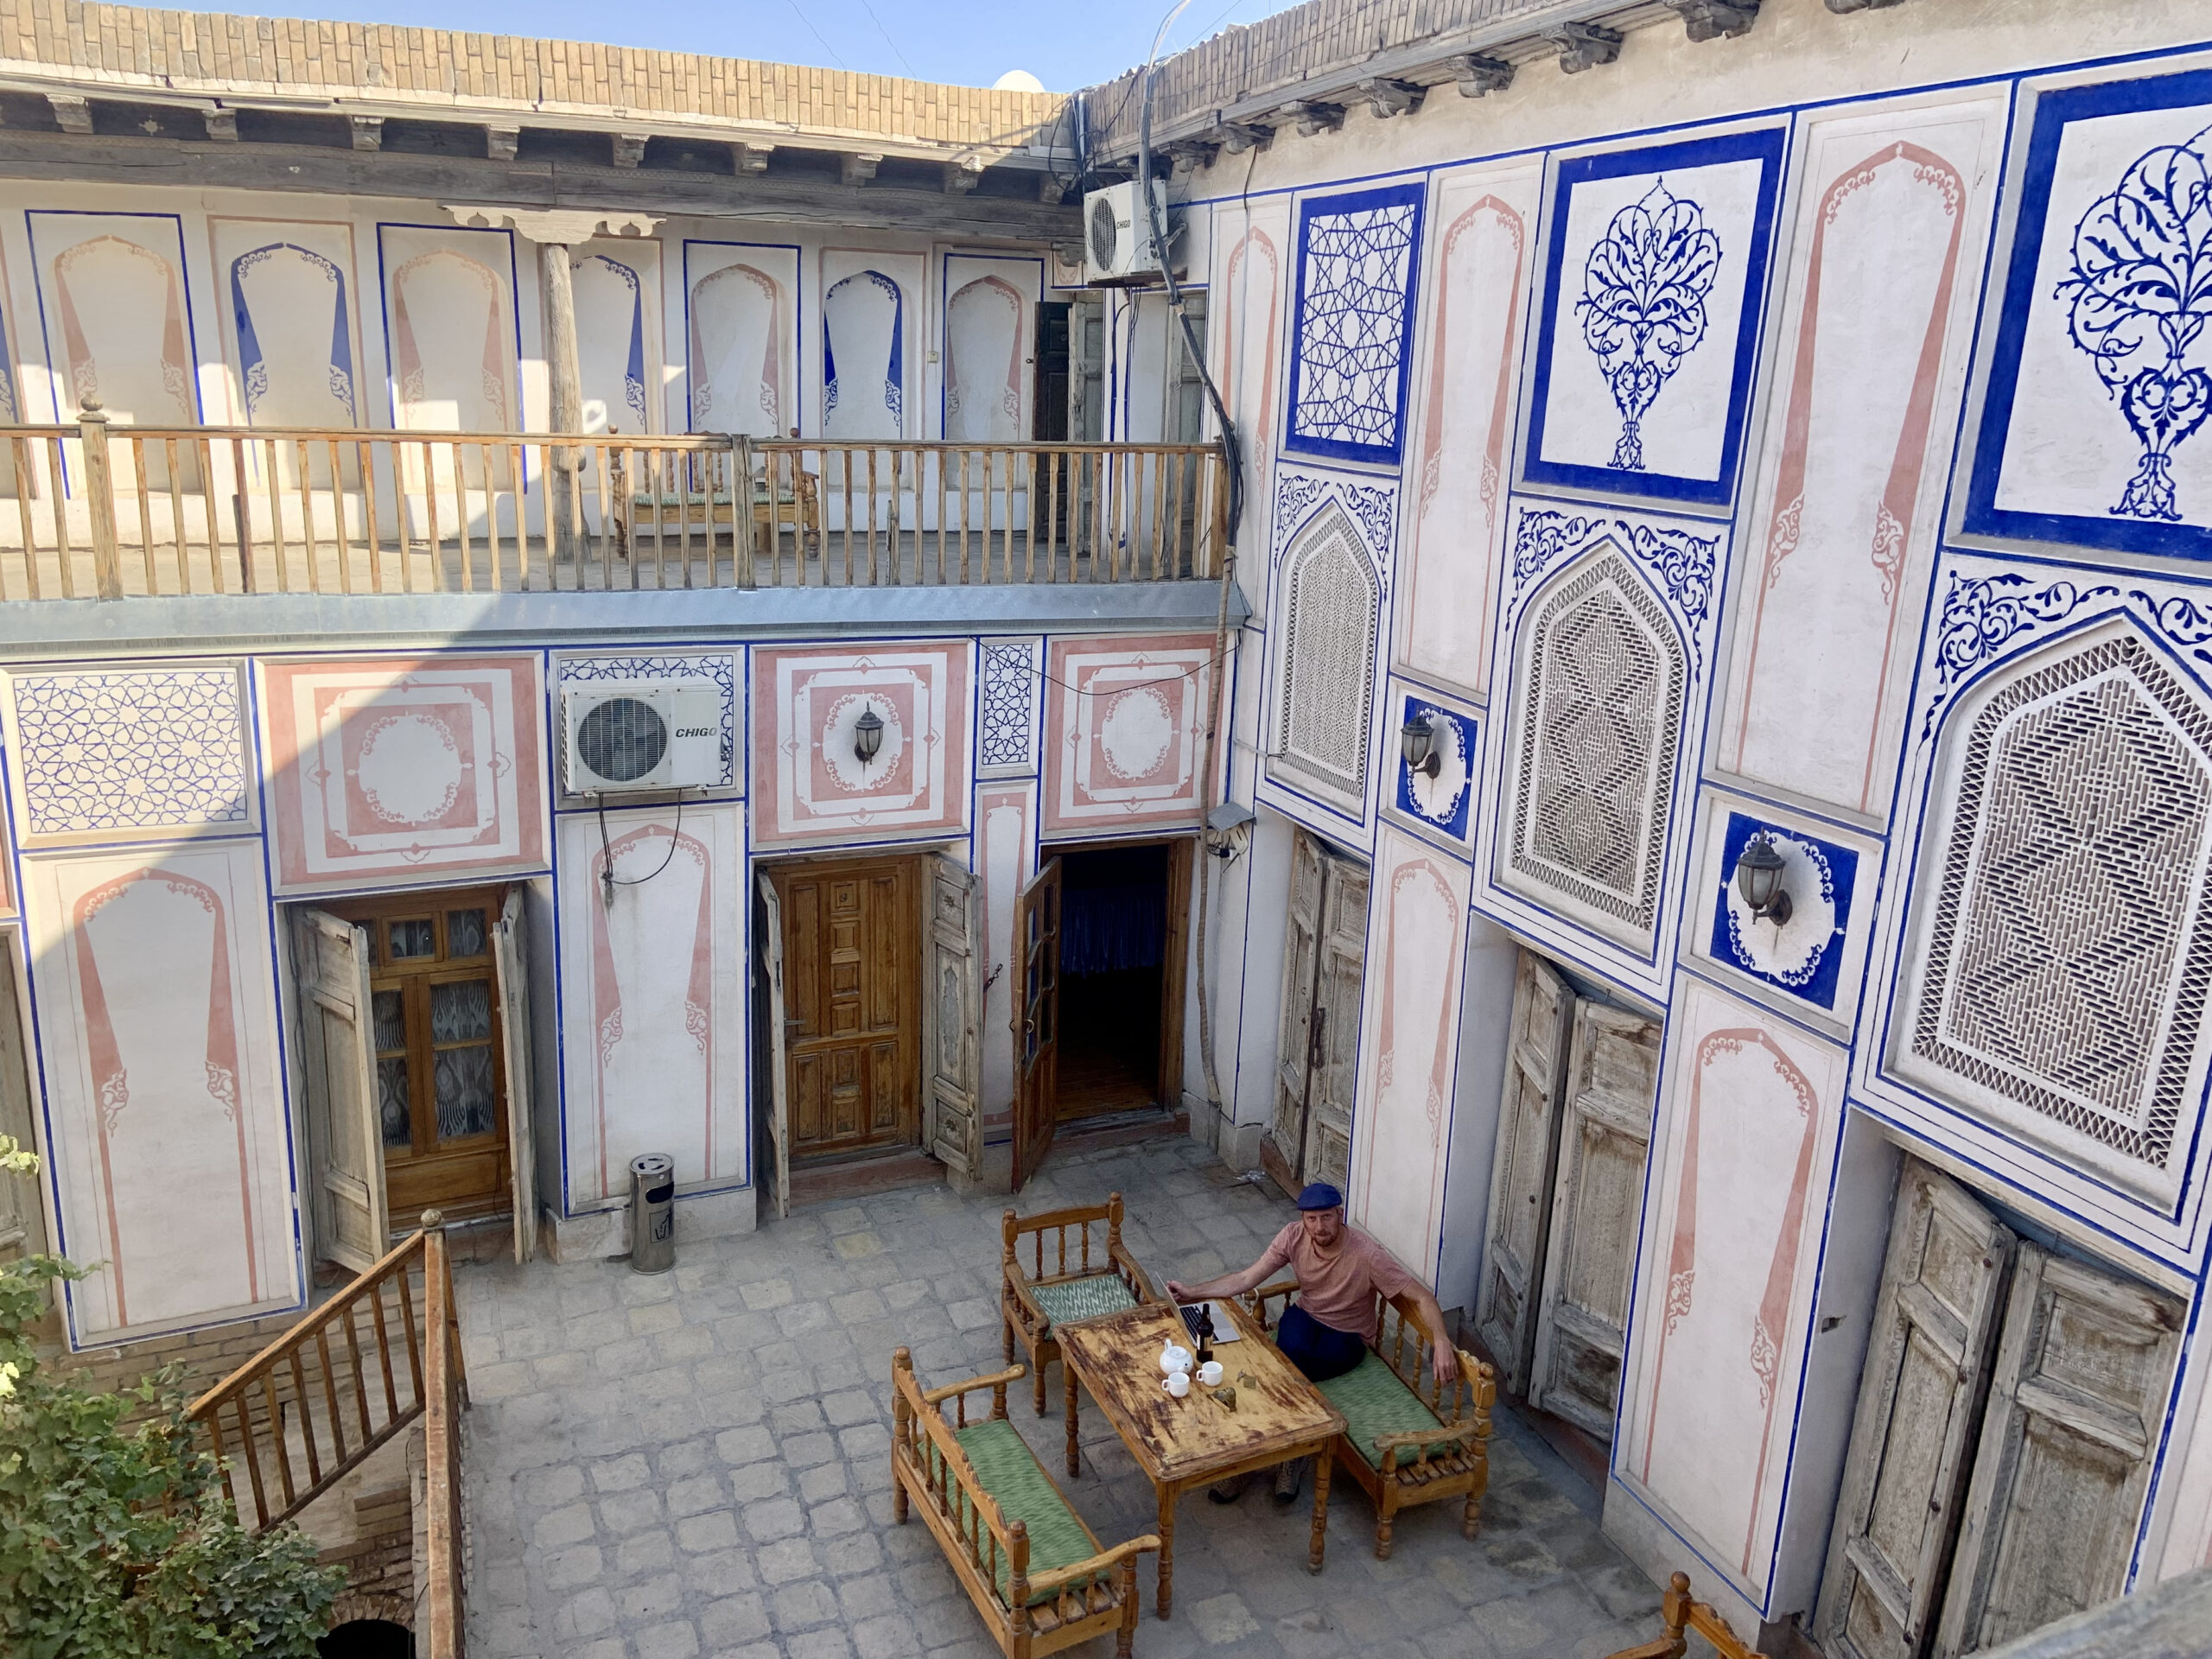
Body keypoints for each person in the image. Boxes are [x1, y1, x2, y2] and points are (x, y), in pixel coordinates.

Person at [1166, 1181, 1459, 1503]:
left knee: (1281, 1376)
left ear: (1339, 1215)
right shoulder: (1293, 1236)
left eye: (1326, 1218)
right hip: (1307, 1319)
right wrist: (1192, 1292)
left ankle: (1269, 1460)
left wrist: (1441, 1340)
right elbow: (1246, 1279)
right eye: (1312, 1219)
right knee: (1282, 1360)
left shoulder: (1368, 1255)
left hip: (1347, 1338)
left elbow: (1421, 1296)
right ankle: (1271, 1456)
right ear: (1303, 1220)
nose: (1319, 1227)